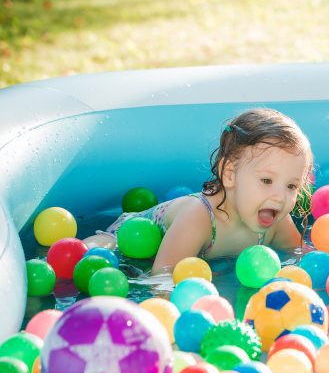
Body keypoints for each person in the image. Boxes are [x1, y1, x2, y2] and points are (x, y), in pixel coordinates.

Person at [85, 108, 313, 274]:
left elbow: (302, 255)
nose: (280, 196)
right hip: (127, 235)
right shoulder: (200, 217)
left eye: (291, 186)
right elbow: (162, 277)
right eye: (266, 180)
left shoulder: (275, 220)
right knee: (89, 252)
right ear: (230, 174)